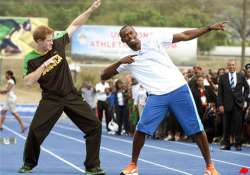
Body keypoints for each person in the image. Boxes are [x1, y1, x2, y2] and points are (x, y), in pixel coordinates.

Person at [101, 22, 228, 175]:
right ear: (123, 41)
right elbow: (103, 76)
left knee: (196, 129)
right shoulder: (128, 60)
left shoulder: (154, 41)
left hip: (178, 89)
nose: (129, 37)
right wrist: (120, 61)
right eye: (125, 36)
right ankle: (133, 165)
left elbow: (185, 35)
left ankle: (210, 167)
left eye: (131, 33)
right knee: (141, 129)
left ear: (136, 33)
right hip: (156, 96)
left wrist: (208, 28)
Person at [18, 1, 105, 175]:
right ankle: (28, 163)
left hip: (71, 95)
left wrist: (90, 10)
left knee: (94, 126)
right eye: (48, 41)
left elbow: (75, 24)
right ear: (39, 42)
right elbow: (28, 81)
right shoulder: (30, 59)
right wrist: (43, 66)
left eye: (52, 40)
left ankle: (92, 166)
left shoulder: (57, 43)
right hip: (51, 99)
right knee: (35, 132)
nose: (51, 43)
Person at [218, 60, 249, 151]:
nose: (231, 67)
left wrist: (243, 99)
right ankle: (226, 144)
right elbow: (220, 93)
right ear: (227, 66)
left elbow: (247, 88)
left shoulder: (241, 76)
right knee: (226, 126)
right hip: (226, 105)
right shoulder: (222, 77)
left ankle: (238, 144)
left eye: (233, 65)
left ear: (236, 66)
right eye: (229, 65)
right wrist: (220, 105)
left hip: (238, 105)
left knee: (238, 126)